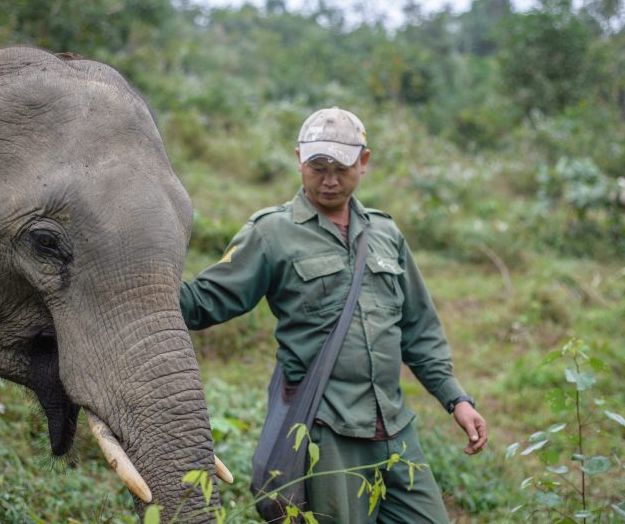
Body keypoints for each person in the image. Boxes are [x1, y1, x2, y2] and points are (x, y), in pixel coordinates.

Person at [180, 107, 487, 523]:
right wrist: (136, 287)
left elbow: (419, 329)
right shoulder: (271, 232)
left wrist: (456, 399)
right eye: (317, 166)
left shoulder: (385, 234)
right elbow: (206, 300)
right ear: (298, 159)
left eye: (340, 167)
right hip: (326, 431)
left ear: (363, 162)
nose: (328, 179)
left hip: (394, 427)